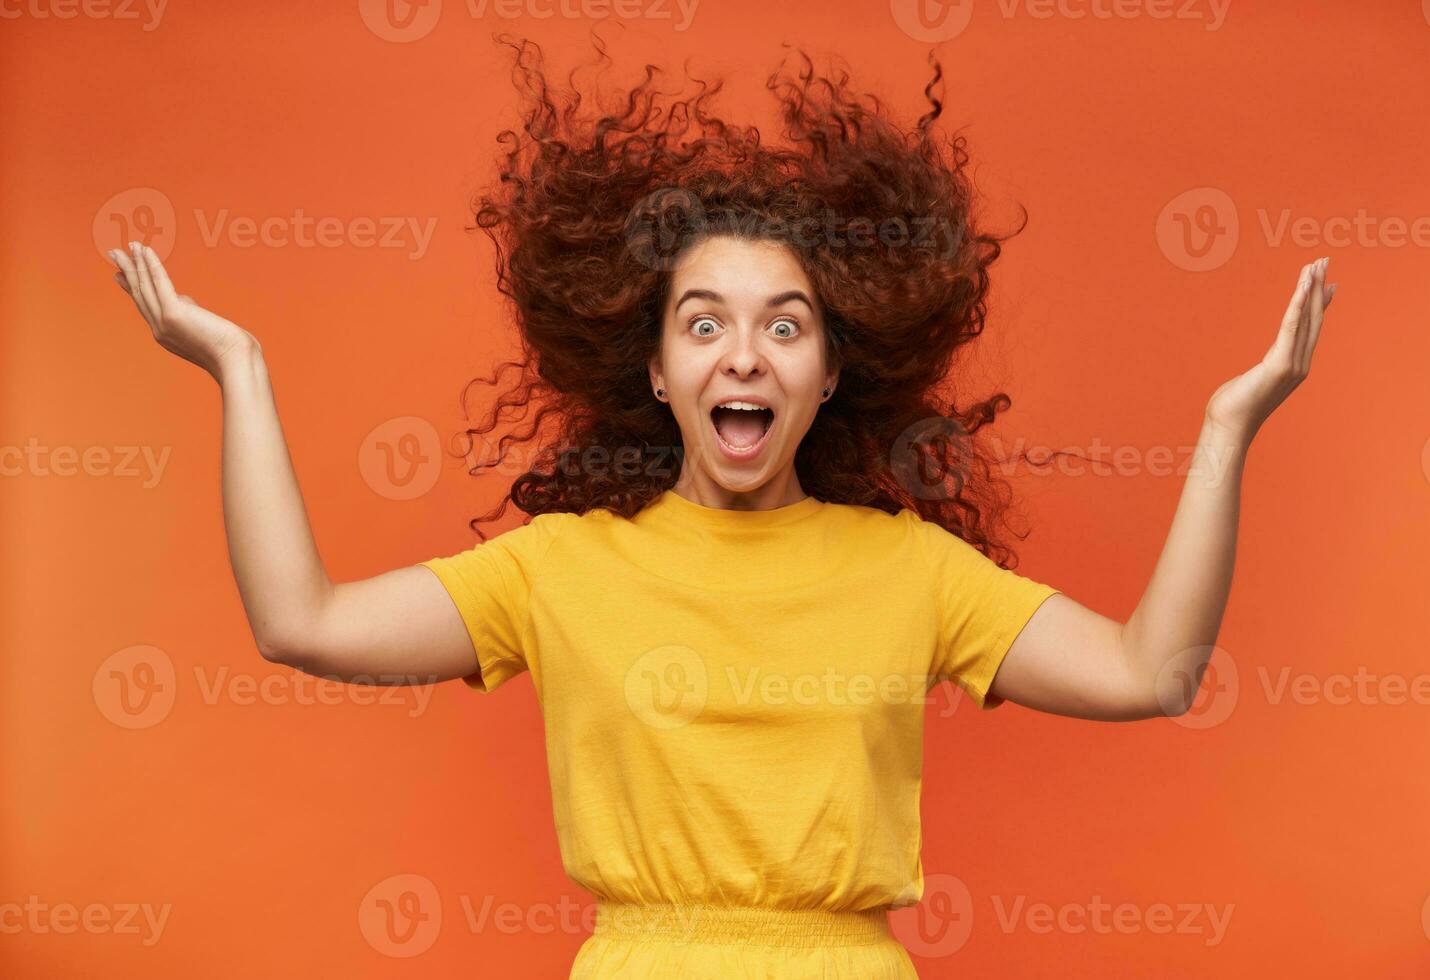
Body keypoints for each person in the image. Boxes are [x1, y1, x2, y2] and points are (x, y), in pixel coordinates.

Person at [105, 38, 1336, 980]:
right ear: (652, 369)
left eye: (783, 326)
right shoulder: (560, 568)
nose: (743, 356)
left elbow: (1151, 670)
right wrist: (241, 369)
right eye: (705, 324)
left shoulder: (911, 568)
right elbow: (300, 620)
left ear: (834, 372)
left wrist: (1229, 427)